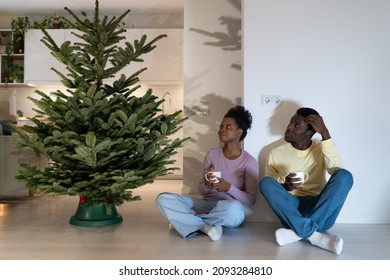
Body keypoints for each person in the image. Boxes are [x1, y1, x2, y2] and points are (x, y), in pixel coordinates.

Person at [156, 105, 259, 241]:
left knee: (233, 208)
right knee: (163, 199)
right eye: (221, 127)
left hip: (229, 207)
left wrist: (228, 187)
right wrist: (207, 183)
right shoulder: (212, 154)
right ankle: (208, 224)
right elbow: (202, 191)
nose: (222, 130)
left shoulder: (249, 161)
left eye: (228, 127)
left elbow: (250, 201)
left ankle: (190, 221)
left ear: (240, 131)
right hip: (208, 204)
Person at [258, 107, 353, 255]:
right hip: (293, 211)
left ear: (309, 133)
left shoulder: (322, 148)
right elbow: (273, 189)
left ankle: (298, 232)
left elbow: (337, 172)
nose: (289, 127)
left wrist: (324, 132)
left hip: (321, 209)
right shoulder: (276, 153)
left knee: (345, 175)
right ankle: (314, 236)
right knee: (265, 183)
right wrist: (286, 186)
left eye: (296, 125)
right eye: (290, 122)